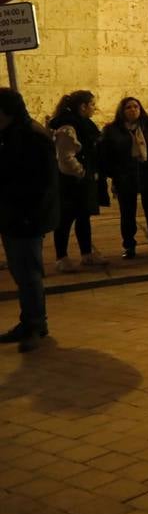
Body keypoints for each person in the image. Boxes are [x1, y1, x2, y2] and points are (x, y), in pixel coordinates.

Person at [0, 88, 59, 352]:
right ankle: (28, 321)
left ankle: (36, 325)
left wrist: (27, 215)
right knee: (20, 271)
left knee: (29, 272)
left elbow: (42, 184)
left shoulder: (33, 136)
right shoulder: (9, 134)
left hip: (27, 217)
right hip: (11, 215)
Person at [98, 97, 148, 260]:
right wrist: (114, 173)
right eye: (128, 107)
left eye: (136, 106)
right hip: (125, 177)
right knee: (127, 214)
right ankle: (129, 245)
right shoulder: (112, 130)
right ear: (122, 111)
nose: (133, 110)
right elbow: (104, 156)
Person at [47, 91, 109, 272]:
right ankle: (62, 257)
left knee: (83, 216)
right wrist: (81, 172)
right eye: (92, 104)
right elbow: (66, 157)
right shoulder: (68, 127)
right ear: (82, 106)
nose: (95, 108)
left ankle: (87, 253)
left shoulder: (84, 124)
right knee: (65, 219)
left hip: (83, 180)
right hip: (70, 182)